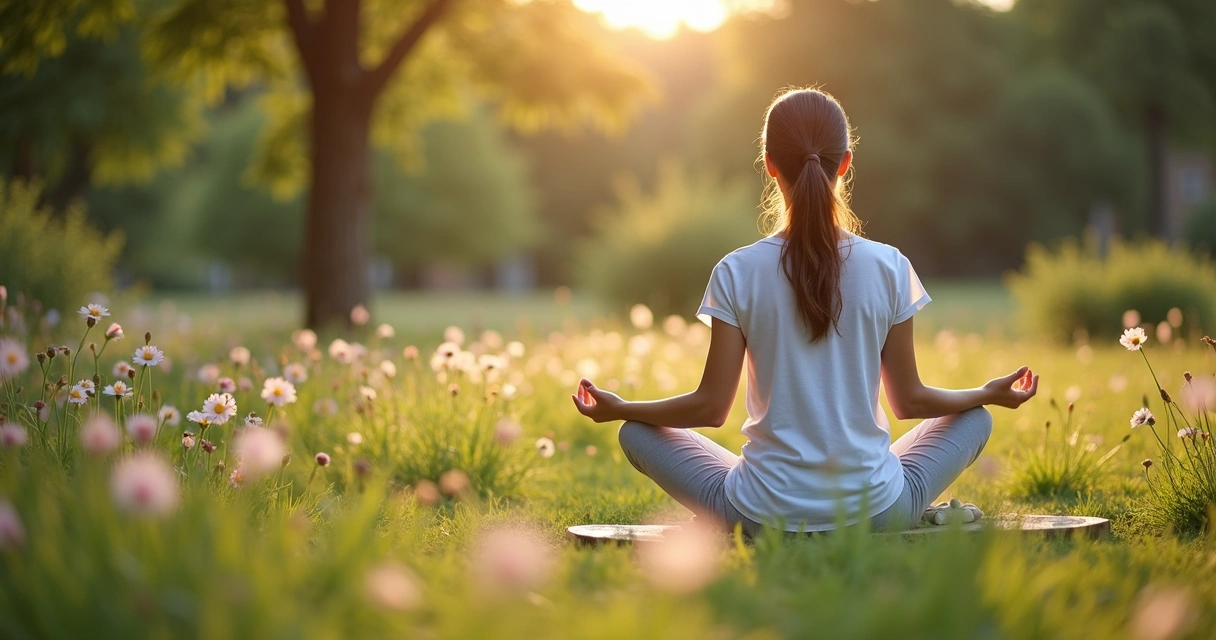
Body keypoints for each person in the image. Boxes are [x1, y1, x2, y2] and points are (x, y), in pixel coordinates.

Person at [571, 88, 1038, 536]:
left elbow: (711, 408)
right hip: (876, 512)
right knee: (978, 416)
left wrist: (621, 408)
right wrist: (986, 392)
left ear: (770, 165)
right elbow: (909, 401)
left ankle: (741, 505)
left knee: (636, 432)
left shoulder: (737, 271)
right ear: (846, 164)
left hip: (758, 516)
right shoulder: (890, 266)